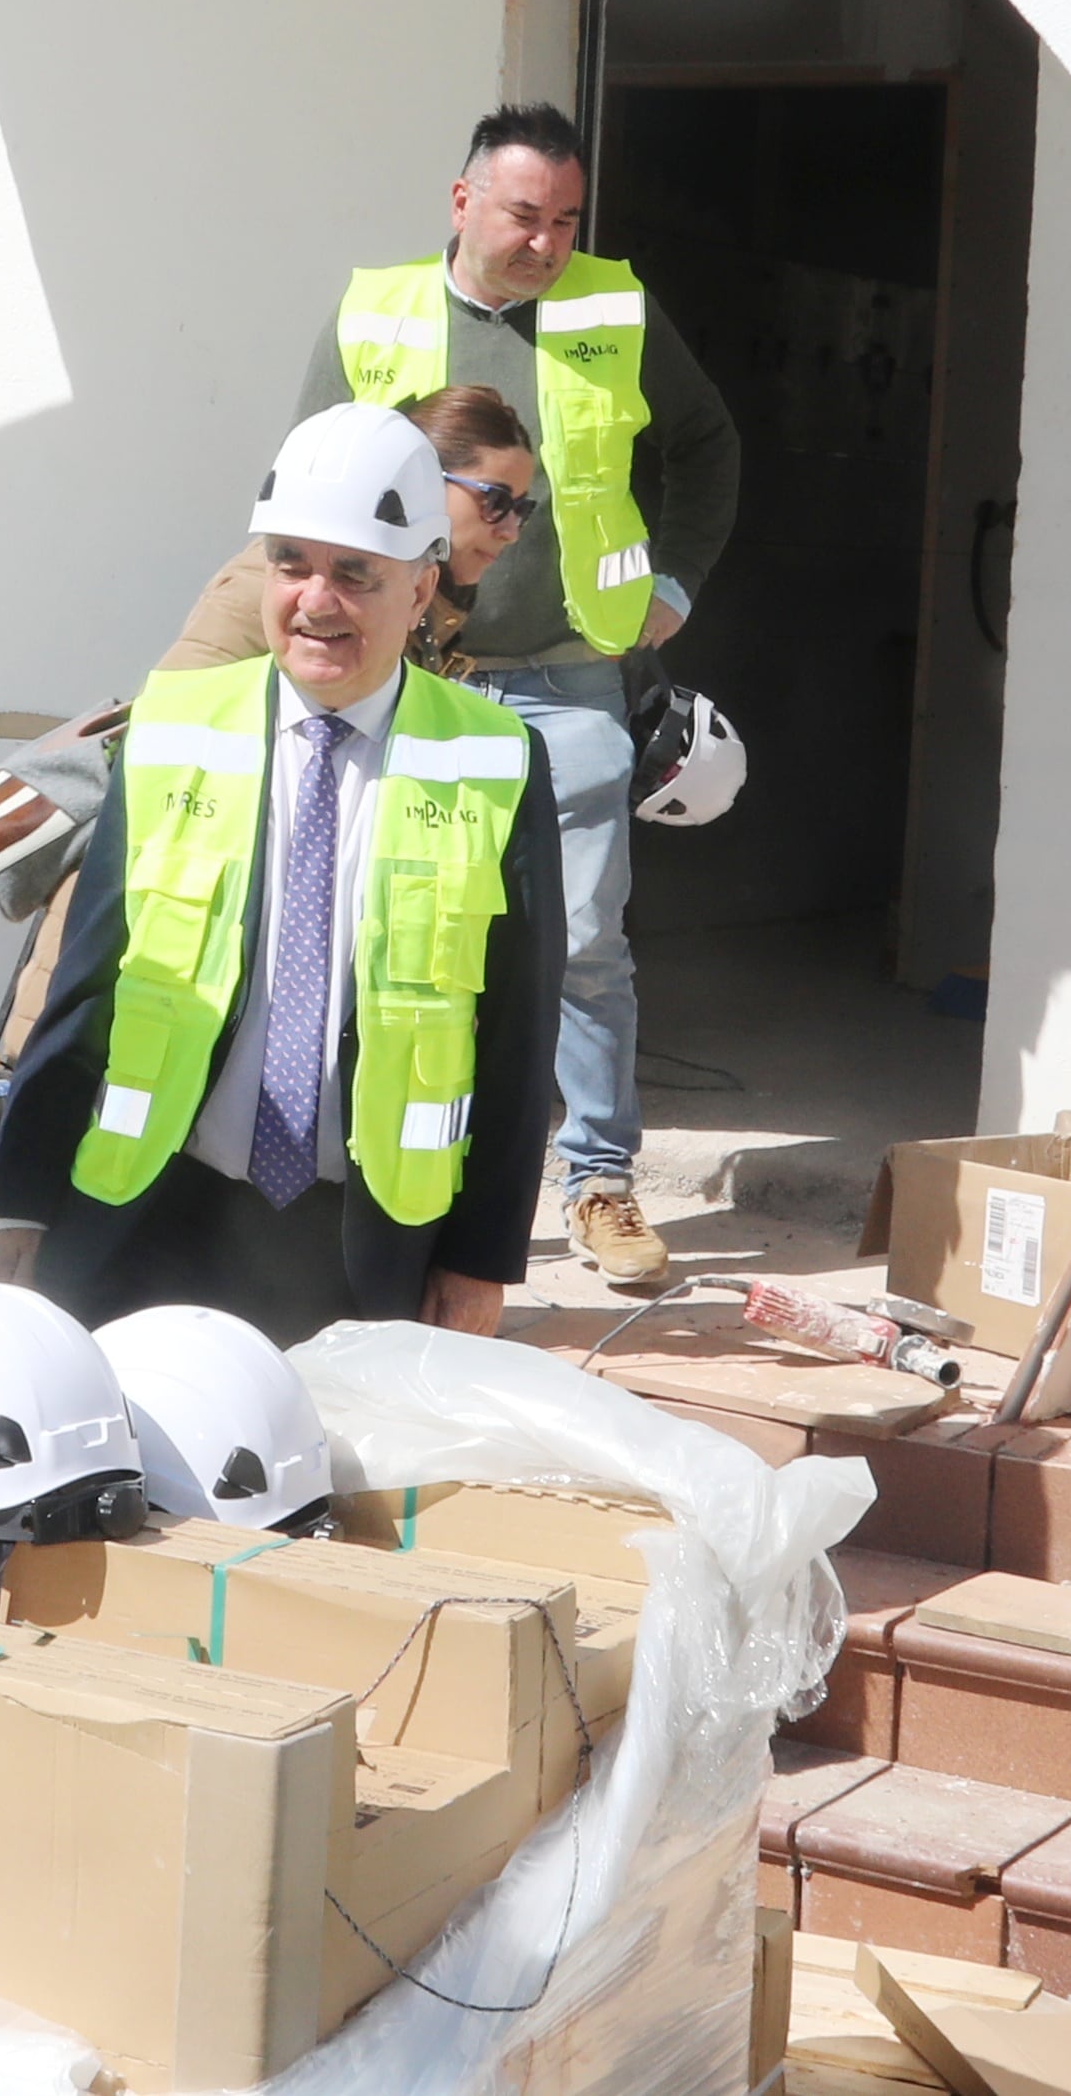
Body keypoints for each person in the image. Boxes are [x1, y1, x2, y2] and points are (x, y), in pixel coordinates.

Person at [0, 402, 562, 1342]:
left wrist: (481, 1261)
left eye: (355, 574)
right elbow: (86, 992)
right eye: (290, 563)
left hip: (367, 1243)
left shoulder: (495, 759)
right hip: (151, 1212)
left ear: (421, 590)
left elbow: (516, 1036)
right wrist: (21, 1209)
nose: (315, 600)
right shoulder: (175, 727)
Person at [298, 105, 738, 1291]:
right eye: (521, 214)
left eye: (563, 219)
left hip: (568, 671)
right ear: (461, 201)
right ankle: (369, 1159)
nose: (544, 241)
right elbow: (310, 486)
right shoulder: (375, 312)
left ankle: (597, 1180)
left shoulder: (611, 307)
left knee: (585, 936)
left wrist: (677, 582)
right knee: (393, 922)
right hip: (412, 676)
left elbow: (706, 442)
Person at [157, 385, 537, 675]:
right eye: (495, 501)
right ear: (422, 480)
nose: (511, 531)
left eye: (521, 509)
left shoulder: (435, 596)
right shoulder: (262, 585)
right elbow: (169, 724)